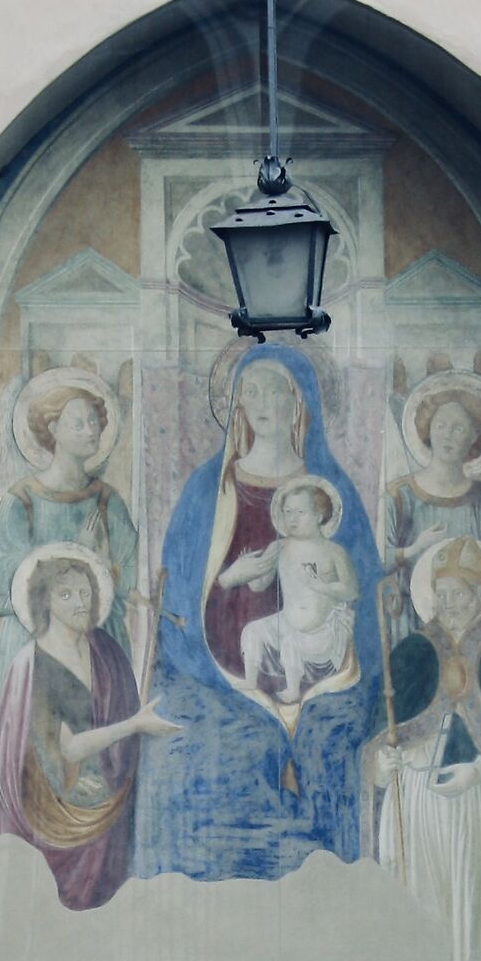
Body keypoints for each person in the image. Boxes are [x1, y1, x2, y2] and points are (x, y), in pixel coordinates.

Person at [134, 347, 381, 882]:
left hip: (321, 674)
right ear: (236, 405)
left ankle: (334, 896)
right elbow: (176, 601)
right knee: (185, 755)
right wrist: (236, 579)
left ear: (299, 404)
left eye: (276, 390)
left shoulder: (329, 493)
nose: (263, 402)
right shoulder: (209, 489)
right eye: (251, 392)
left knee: (333, 747)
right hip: (216, 673)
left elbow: (364, 602)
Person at [369, 535, 481, 961]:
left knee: (469, 905)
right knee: (421, 905)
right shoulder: (414, 650)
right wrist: (380, 764)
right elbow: (378, 729)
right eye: (440, 595)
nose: (447, 605)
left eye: (457, 595)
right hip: (414, 804)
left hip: (474, 807)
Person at [0, 546, 176, 910]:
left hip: (111, 791)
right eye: (66, 594)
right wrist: (135, 724)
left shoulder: (105, 650)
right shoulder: (34, 667)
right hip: (53, 805)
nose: (80, 602)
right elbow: (69, 749)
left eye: (85, 592)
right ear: (45, 602)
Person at [0, 370, 138, 693]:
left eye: (94, 421)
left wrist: (100, 561)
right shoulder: (21, 503)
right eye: (79, 423)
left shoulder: (108, 502)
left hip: (100, 642)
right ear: (54, 429)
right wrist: (81, 553)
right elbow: (7, 582)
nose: (91, 431)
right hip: (34, 644)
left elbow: (130, 577)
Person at [383, 374, 481, 621]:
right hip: (414, 634)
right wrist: (412, 551)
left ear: (474, 436)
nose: (447, 435)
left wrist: (479, 570)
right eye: (440, 426)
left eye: (458, 428)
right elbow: (372, 564)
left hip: (479, 636)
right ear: (428, 430)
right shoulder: (398, 499)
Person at [230, 478, 359, 705]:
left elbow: (351, 590)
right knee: (253, 630)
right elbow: (260, 585)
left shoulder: (334, 551)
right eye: (288, 512)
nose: (292, 518)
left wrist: (324, 587)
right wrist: (250, 574)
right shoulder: (278, 547)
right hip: (286, 621)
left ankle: (293, 689)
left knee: (292, 642)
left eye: (300, 512)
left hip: (321, 631)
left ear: (319, 516)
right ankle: (251, 679)